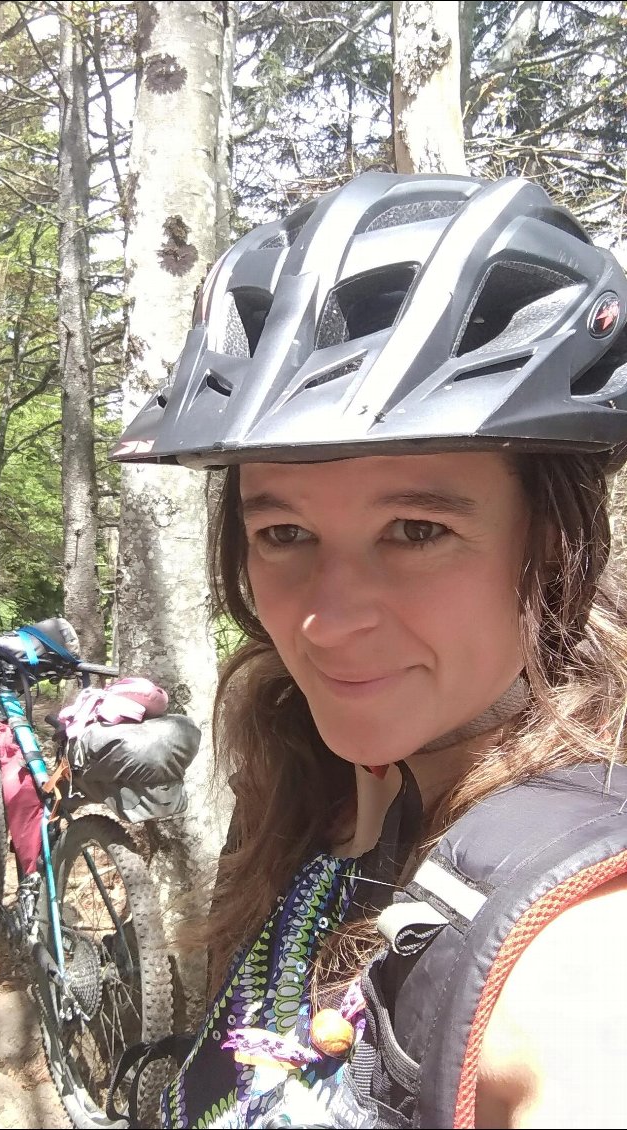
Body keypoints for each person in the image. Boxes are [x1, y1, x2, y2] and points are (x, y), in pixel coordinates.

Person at [111, 172, 627, 1129]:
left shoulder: (573, 941)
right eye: (284, 535)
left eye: (416, 530)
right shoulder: (300, 775)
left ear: (550, 546)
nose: (325, 621)